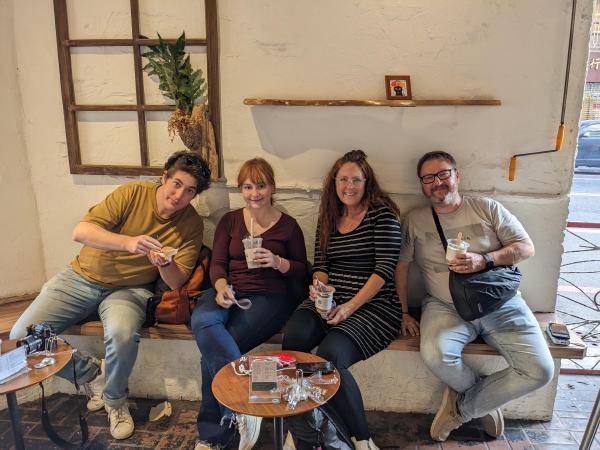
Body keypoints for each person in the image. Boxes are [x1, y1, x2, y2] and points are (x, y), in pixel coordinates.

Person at [10, 151, 211, 440]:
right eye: (176, 183)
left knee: (121, 334)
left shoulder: (191, 223)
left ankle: (115, 402)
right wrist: (129, 243)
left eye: (189, 190)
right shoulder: (132, 193)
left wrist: (165, 264)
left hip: (131, 289)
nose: (179, 195)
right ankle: (92, 374)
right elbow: (81, 231)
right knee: (21, 337)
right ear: (164, 177)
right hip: (80, 277)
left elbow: (178, 280)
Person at [396, 151, 554, 442]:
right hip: (445, 306)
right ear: (422, 185)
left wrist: (485, 260)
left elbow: (526, 247)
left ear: (457, 176)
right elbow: (401, 266)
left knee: (540, 370)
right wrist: (405, 311)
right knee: (436, 355)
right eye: (429, 177)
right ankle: (484, 402)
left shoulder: (486, 207)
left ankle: (463, 408)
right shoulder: (415, 219)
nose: (438, 182)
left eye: (444, 173)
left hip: (501, 304)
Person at [282, 150, 402, 450]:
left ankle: (362, 439)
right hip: (331, 300)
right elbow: (321, 265)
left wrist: (349, 307)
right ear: (334, 182)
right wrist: (317, 289)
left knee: (330, 357)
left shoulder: (382, 214)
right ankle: (302, 425)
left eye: (356, 180)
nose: (349, 186)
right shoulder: (329, 216)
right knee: (293, 341)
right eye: (343, 179)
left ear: (367, 182)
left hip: (374, 305)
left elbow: (384, 270)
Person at [191, 158, 307, 450]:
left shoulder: (289, 227)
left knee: (211, 356)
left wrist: (278, 262)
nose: (255, 193)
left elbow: (302, 271)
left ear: (273, 188)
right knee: (204, 321)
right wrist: (219, 287)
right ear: (241, 189)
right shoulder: (230, 221)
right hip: (228, 290)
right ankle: (241, 409)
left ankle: (212, 434)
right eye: (248, 186)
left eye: (261, 185)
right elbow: (217, 263)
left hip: (270, 297)